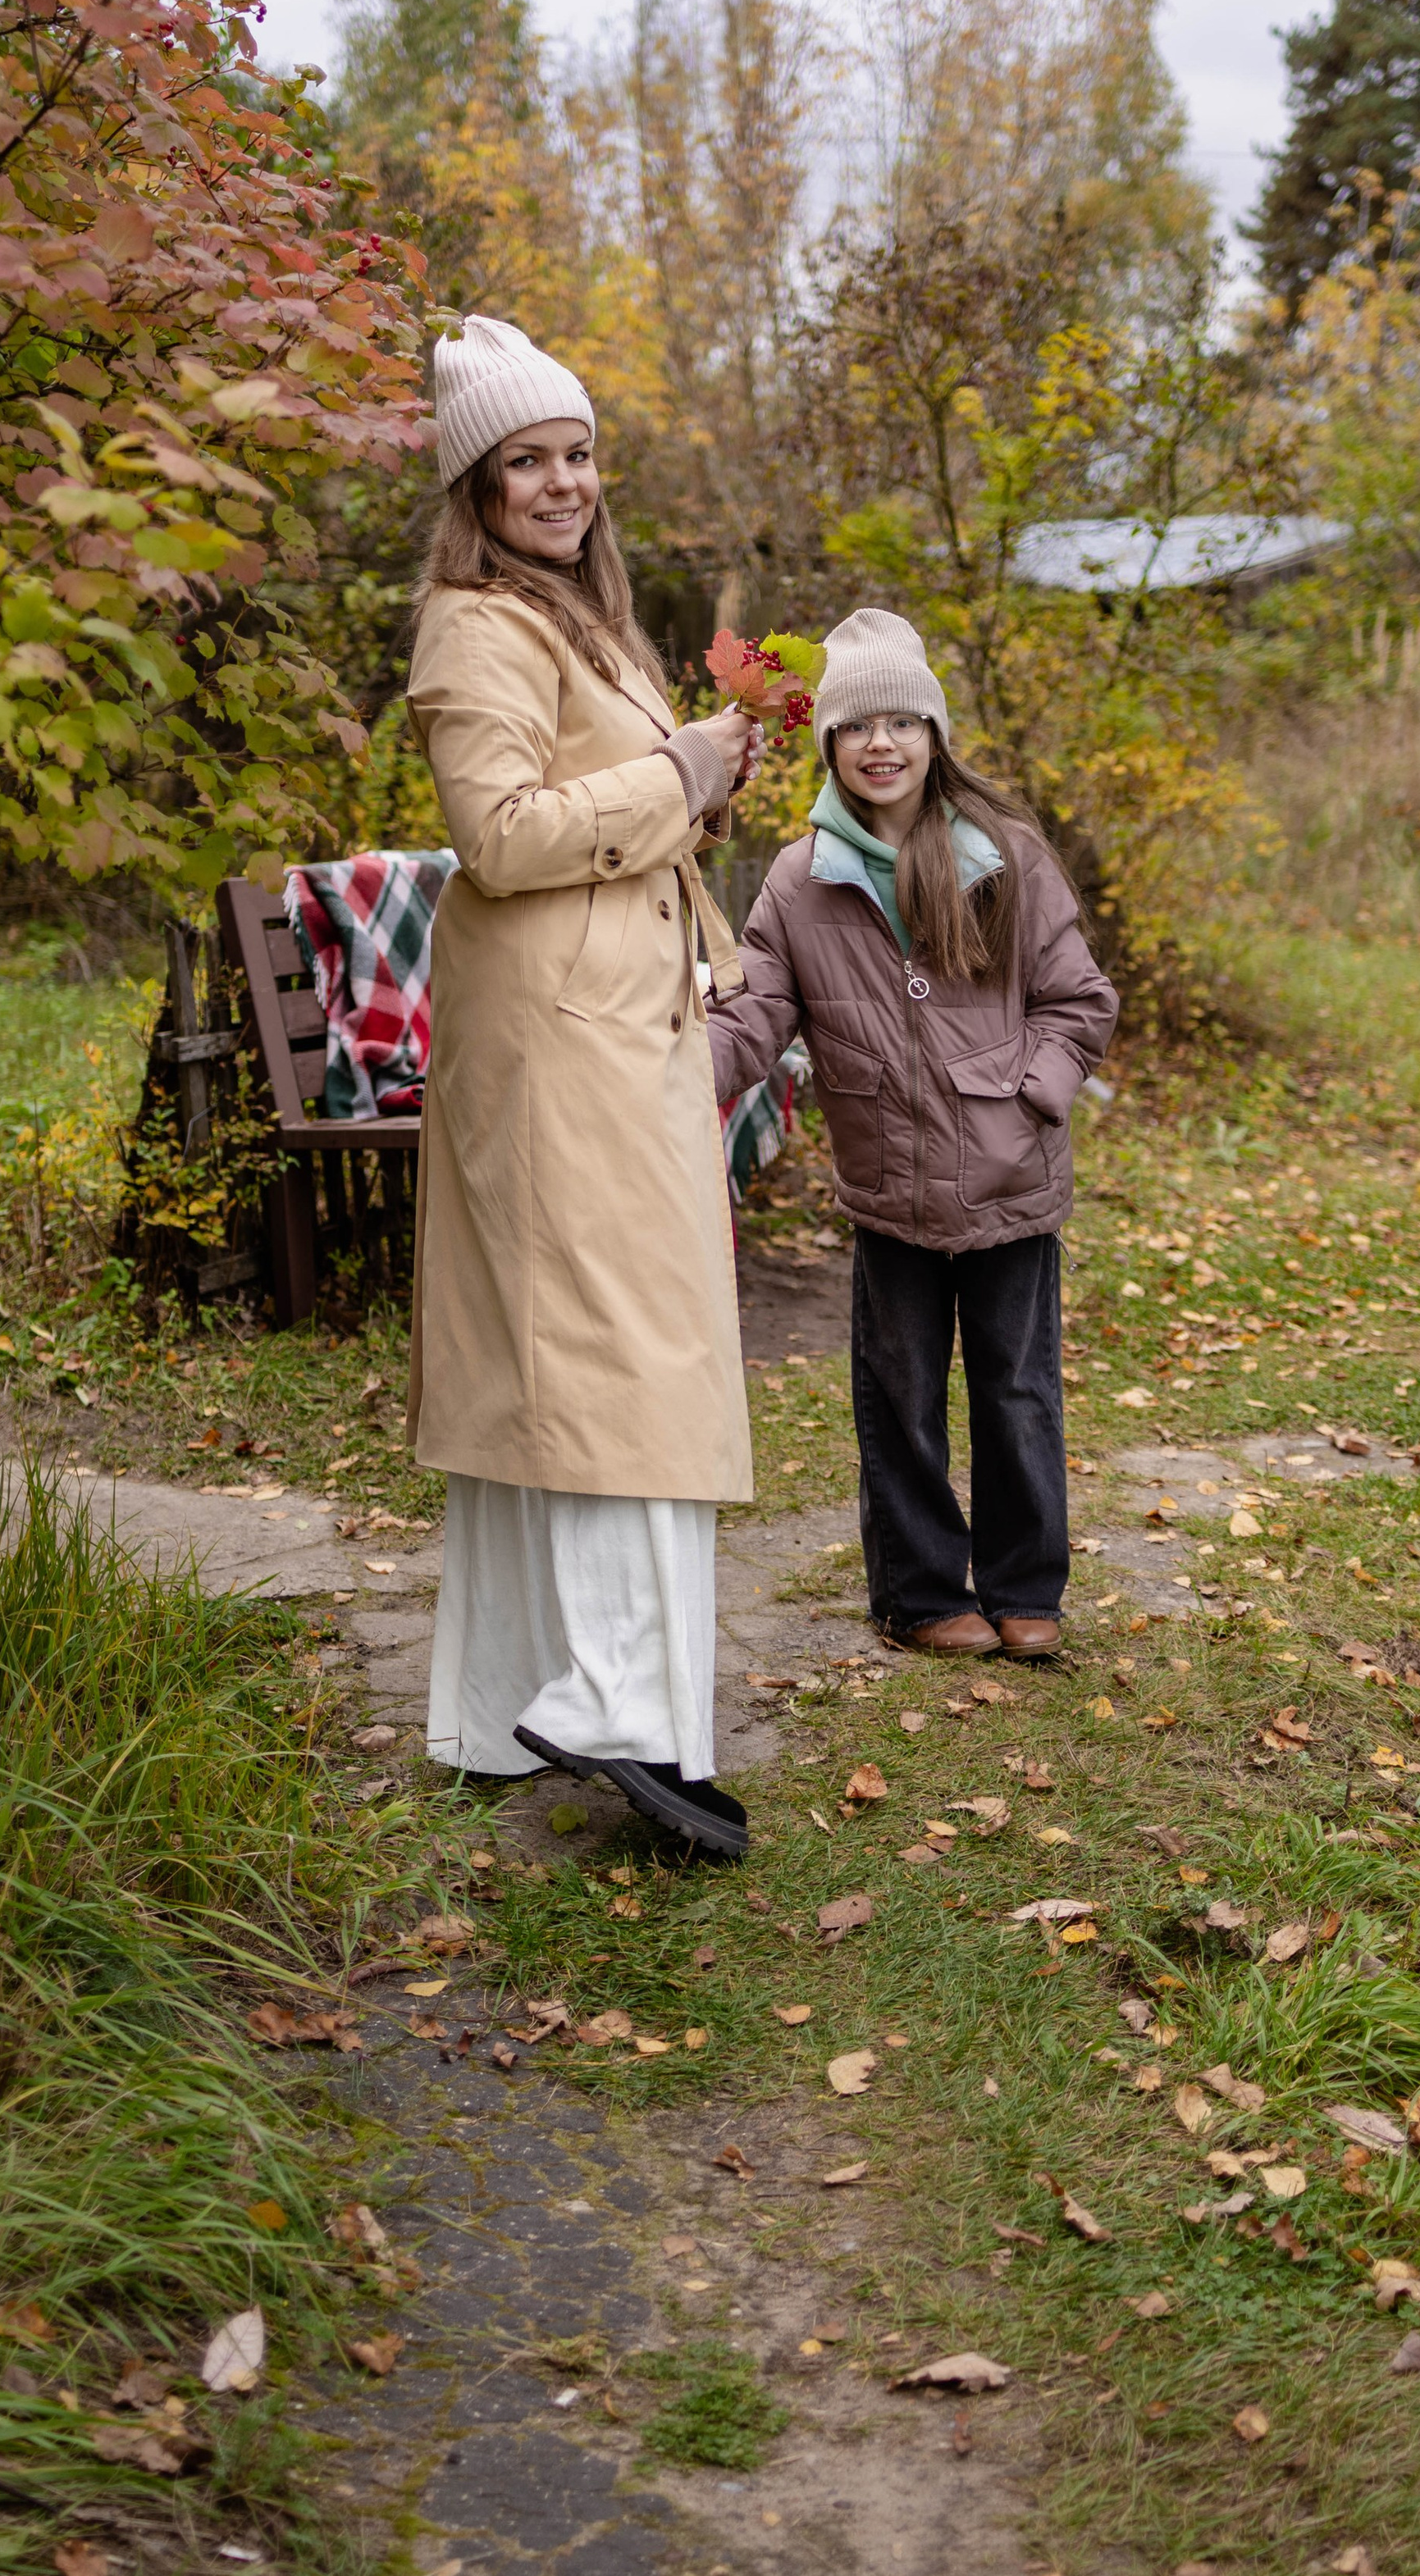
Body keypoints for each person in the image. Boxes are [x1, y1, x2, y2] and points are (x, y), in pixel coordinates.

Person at [404, 314, 760, 1857]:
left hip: (612, 1017)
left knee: (538, 1359)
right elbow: (499, 835)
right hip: (561, 1038)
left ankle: (493, 1710)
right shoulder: (476, 627)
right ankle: (615, 1706)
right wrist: (676, 776)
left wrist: (700, 790)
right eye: (527, 463)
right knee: (622, 1356)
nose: (562, 484)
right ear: (476, 489)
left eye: (576, 455)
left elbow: (605, 813)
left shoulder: (581, 620)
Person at [705, 609, 1118, 1659]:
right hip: (888, 1189)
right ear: (830, 744)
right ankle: (923, 1595)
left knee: (1017, 1391)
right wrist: (663, 1078)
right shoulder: (800, 884)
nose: (879, 743)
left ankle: (1026, 1586)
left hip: (1008, 1183)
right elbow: (754, 1019)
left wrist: (1031, 1096)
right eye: (856, 725)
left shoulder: (1002, 859)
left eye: (902, 721)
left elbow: (1080, 1002)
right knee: (898, 1400)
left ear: (934, 736)